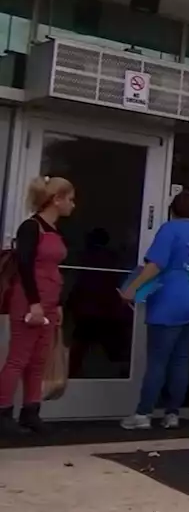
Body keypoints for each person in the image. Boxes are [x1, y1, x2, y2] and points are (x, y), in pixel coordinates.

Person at [119, 192, 189, 430]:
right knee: (181, 360)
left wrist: (132, 288)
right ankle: (173, 414)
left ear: (174, 210)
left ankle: (143, 415)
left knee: (158, 361)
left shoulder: (170, 229)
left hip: (170, 303)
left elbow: (156, 265)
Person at [0, 177, 75, 435]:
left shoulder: (54, 231)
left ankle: (31, 411)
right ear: (57, 199)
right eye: (70, 199)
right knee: (18, 358)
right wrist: (34, 303)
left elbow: (56, 268)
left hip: (51, 300)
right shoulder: (31, 227)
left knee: (39, 360)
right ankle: (3, 411)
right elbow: (24, 265)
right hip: (30, 299)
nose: (72, 205)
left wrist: (59, 304)